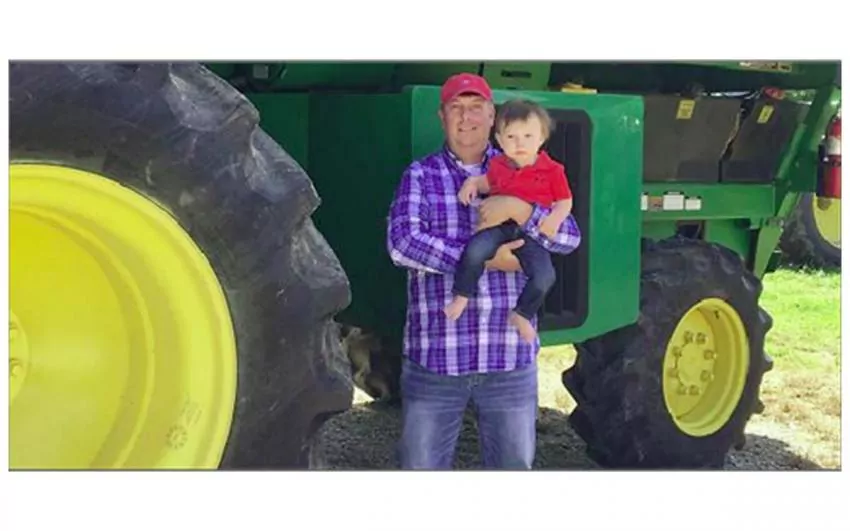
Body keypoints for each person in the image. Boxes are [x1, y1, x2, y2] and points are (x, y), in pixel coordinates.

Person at [385, 72, 581, 470]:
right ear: (441, 117)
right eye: (456, 108)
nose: (466, 117)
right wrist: (485, 260)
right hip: (437, 358)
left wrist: (520, 210)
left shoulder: (527, 168)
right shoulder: (420, 175)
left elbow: (568, 238)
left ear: (493, 117)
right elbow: (402, 244)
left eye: (476, 108)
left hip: (508, 358)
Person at [445, 99, 574, 343]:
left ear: (541, 138)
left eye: (528, 136)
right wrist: (471, 183)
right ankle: (462, 295)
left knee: (545, 276)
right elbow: (486, 182)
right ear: (500, 140)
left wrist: (555, 219)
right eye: (512, 137)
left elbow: (564, 201)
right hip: (499, 228)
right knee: (474, 250)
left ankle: (522, 313)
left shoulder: (553, 170)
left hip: (530, 234)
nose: (520, 143)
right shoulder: (498, 165)